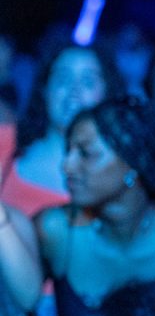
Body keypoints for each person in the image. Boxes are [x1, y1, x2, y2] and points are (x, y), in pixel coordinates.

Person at [3, 96, 155, 316]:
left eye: (86, 154)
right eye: (69, 152)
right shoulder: (56, 231)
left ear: (132, 162)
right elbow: (19, 309)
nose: (67, 166)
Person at [1, 44, 122, 217]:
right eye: (64, 79)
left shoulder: (119, 171)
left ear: (107, 93)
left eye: (87, 82)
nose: (74, 91)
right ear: (45, 89)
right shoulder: (6, 142)